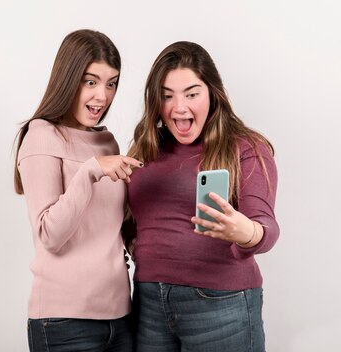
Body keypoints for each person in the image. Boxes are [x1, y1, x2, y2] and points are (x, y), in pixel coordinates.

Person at [124, 41, 279, 351]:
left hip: (221, 307)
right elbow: (133, 218)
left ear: (212, 94)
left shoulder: (246, 147)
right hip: (149, 304)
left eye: (191, 94)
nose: (179, 107)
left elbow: (267, 227)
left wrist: (243, 230)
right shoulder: (146, 148)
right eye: (167, 96)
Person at [14, 29, 142, 352]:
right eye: (91, 81)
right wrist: (91, 171)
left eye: (111, 83)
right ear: (68, 78)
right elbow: (50, 234)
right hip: (63, 323)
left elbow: (113, 228)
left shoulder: (106, 141)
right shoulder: (41, 136)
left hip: (120, 316)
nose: (103, 96)